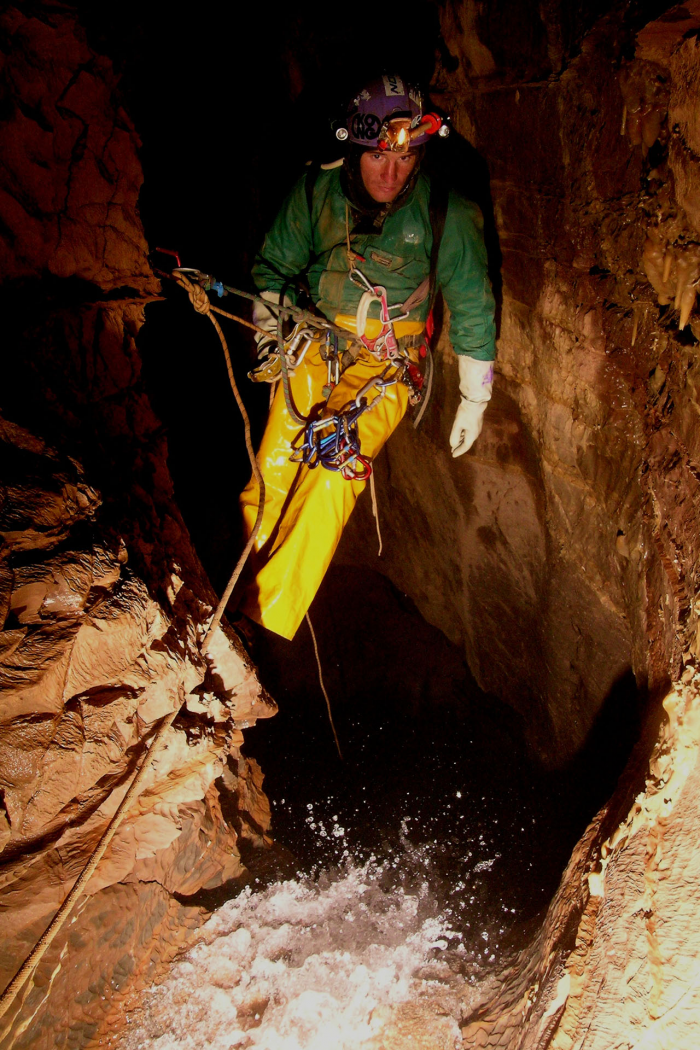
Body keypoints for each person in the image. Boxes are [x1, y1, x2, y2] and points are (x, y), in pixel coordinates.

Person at [238, 75, 496, 641]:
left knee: (334, 468)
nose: (391, 173)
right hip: (315, 344)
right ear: (355, 148)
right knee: (275, 467)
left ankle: (266, 617)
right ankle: (245, 593)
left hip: (388, 363)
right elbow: (274, 267)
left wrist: (476, 397)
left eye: (405, 158)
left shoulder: (446, 215)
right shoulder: (316, 192)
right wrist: (269, 335)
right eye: (379, 156)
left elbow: (473, 304)